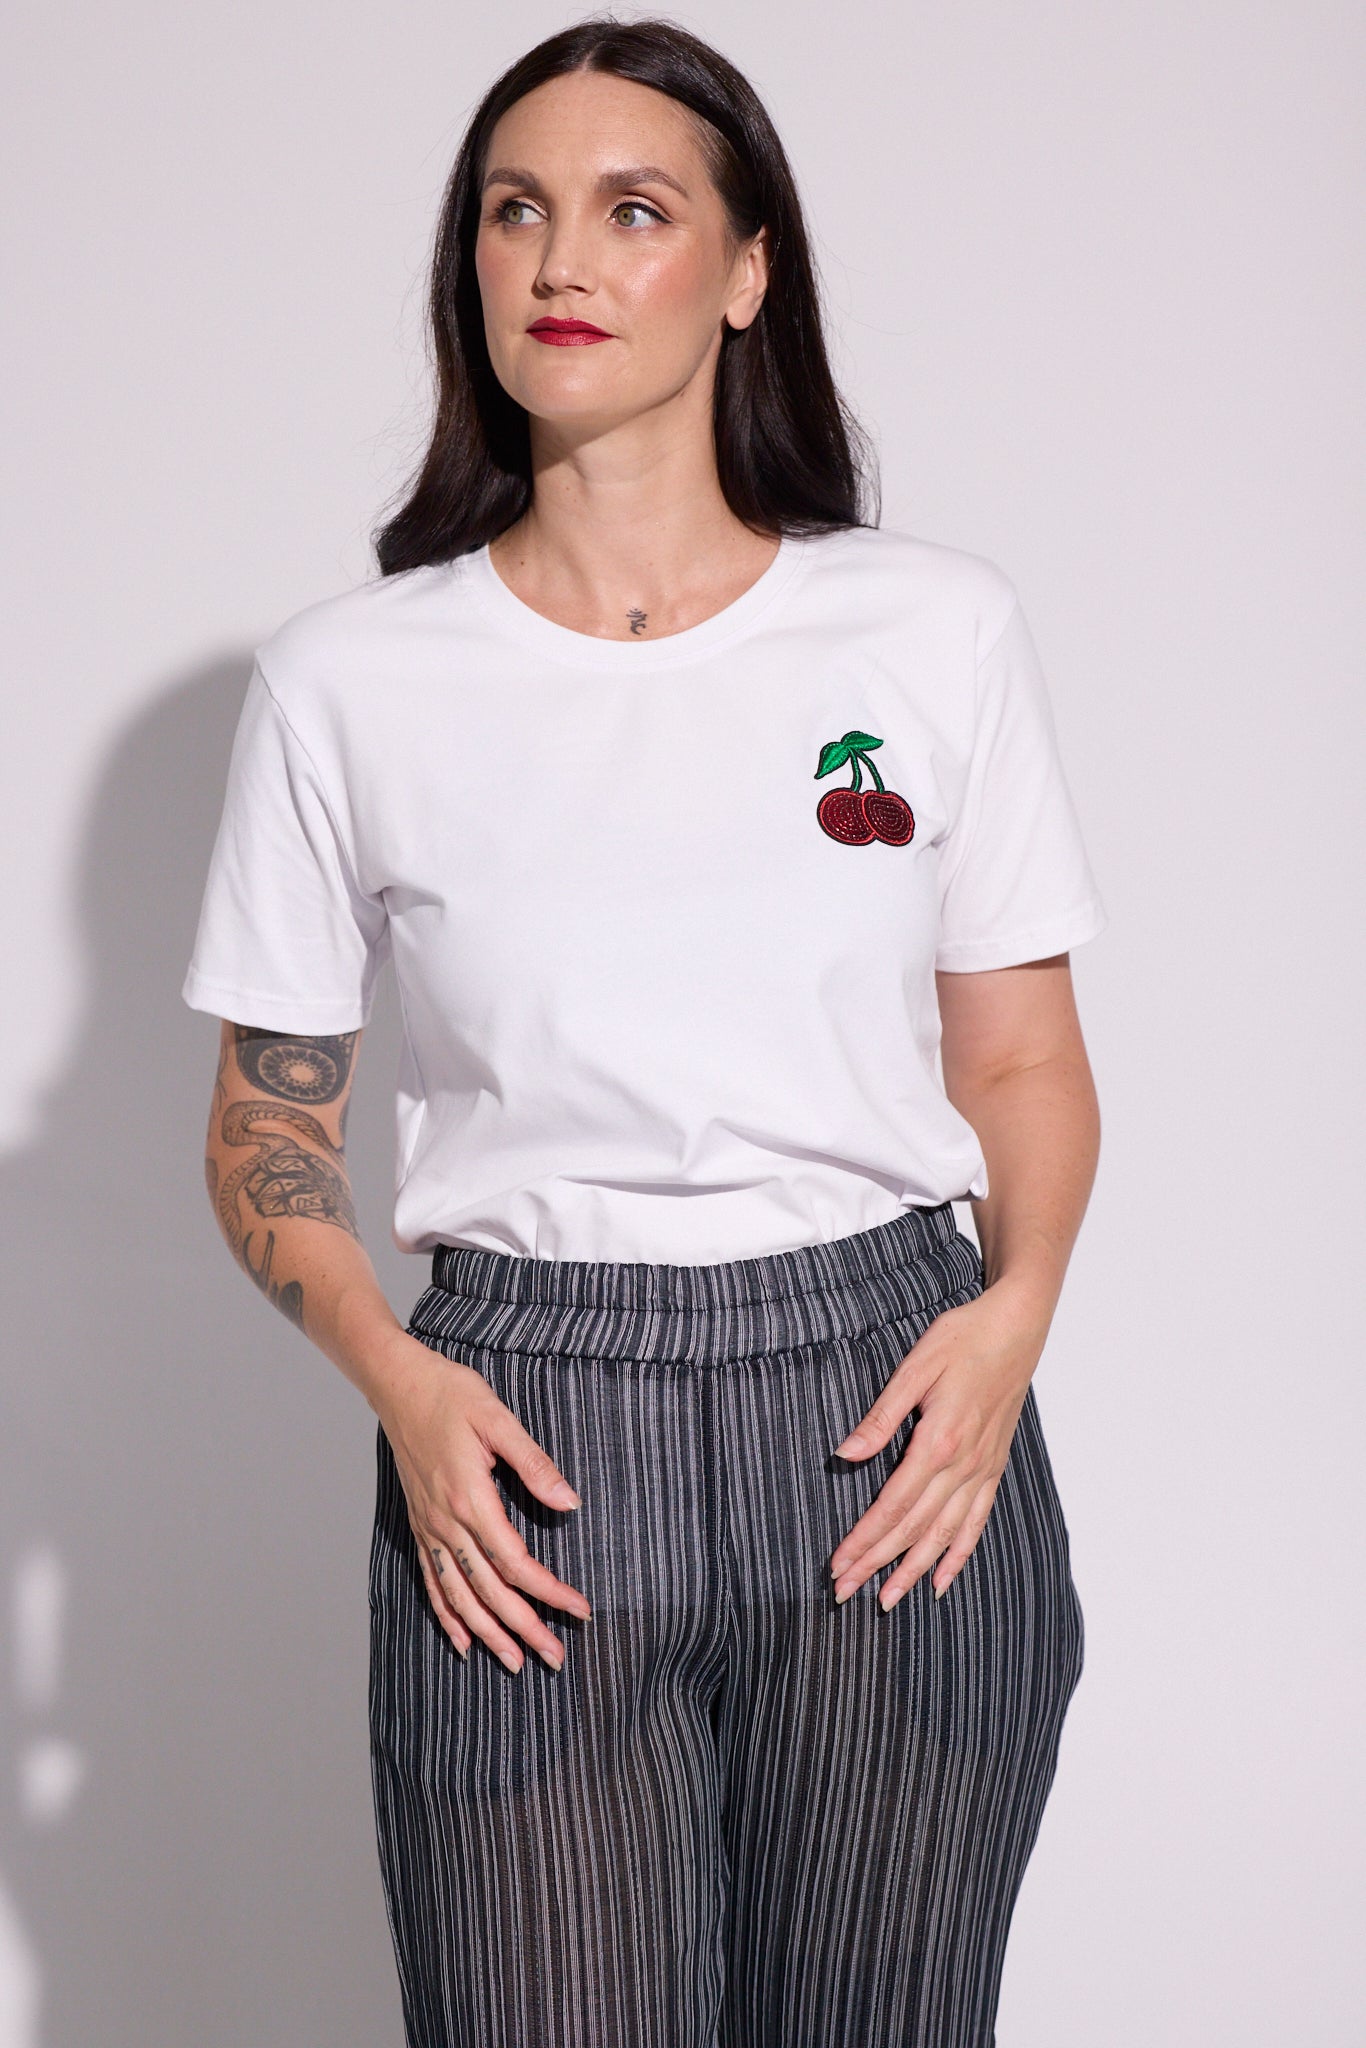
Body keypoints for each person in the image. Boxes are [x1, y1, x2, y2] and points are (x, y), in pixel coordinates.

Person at [182, 17, 1106, 2046]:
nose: (560, 261)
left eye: (631, 211)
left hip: (884, 1412)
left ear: (745, 269)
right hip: (526, 1425)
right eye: (514, 212)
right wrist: (401, 1386)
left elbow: (1020, 1058)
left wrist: (1011, 1317)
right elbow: (268, 1128)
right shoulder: (350, 682)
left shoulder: (926, 630)